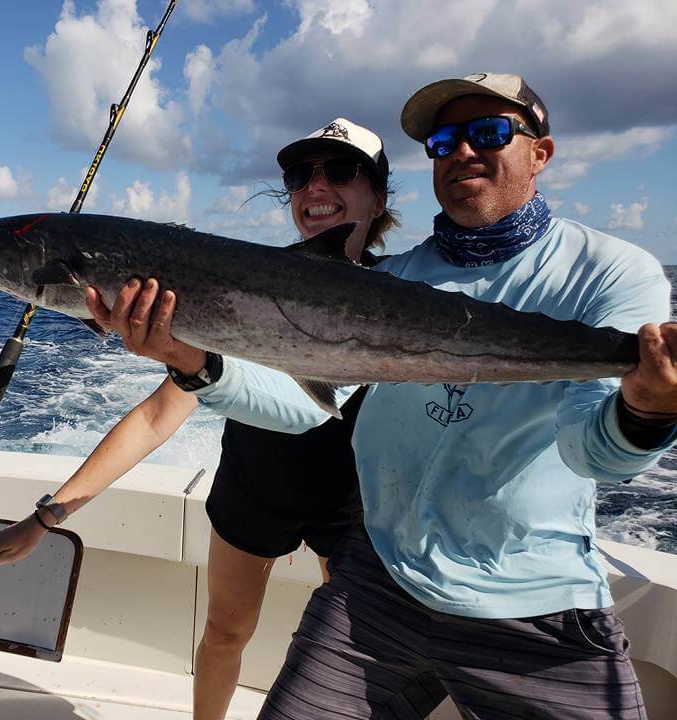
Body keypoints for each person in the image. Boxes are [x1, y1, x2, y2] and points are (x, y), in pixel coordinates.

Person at [87, 73, 677, 719]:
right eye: (444, 139)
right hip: (380, 589)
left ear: (541, 152)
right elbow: (308, 405)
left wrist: (648, 407)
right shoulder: (393, 279)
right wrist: (187, 358)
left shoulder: (612, 270)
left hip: (532, 605)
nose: (461, 151)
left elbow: (597, 457)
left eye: (489, 132)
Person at [0, 118, 401, 720]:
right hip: (254, 490)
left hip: (354, 503)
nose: (315, 185)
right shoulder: (235, 280)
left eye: (340, 170)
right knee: (225, 633)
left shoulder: (410, 294)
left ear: (378, 196)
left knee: (342, 653)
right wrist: (47, 517)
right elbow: (155, 417)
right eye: (301, 175)